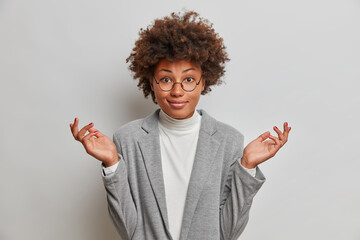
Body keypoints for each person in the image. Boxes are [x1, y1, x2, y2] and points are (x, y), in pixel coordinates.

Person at [70, 11, 291, 240]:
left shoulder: (228, 140)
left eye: (188, 80)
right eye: (166, 79)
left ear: (202, 82)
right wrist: (112, 163)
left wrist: (246, 166)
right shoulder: (128, 139)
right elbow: (129, 230)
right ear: (152, 83)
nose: (177, 91)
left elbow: (227, 233)